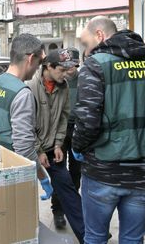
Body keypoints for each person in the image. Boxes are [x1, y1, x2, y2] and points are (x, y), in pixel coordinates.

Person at [73, 16, 145, 244]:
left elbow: (87, 121)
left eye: (86, 45)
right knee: (133, 239)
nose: (86, 52)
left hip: (103, 172)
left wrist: (78, 147)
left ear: (99, 35)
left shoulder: (96, 65)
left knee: (95, 238)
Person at [0, 33, 54, 208]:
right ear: (31, 59)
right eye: (39, 63)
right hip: (9, 175)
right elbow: (24, 148)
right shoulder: (22, 93)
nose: (38, 68)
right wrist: (42, 176)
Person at [26, 49, 85, 242]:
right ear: (48, 67)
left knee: (67, 185)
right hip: (29, 149)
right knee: (24, 194)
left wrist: (58, 144)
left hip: (53, 147)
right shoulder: (29, 87)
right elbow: (25, 125)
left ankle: (88, 235)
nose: (66, 73)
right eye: (62, 69)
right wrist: (38, 150)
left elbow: (63, 118)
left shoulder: (64, 86)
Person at [62, 47, 82, 191]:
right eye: (66, 64)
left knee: (76, 169)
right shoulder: (58, 80)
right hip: (60, 129)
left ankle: (74, 200)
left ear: (77, 63)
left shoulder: (85, 80)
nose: (69, 68)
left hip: (78, 129)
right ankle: (57, 208)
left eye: (72, 64)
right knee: (59, 170)